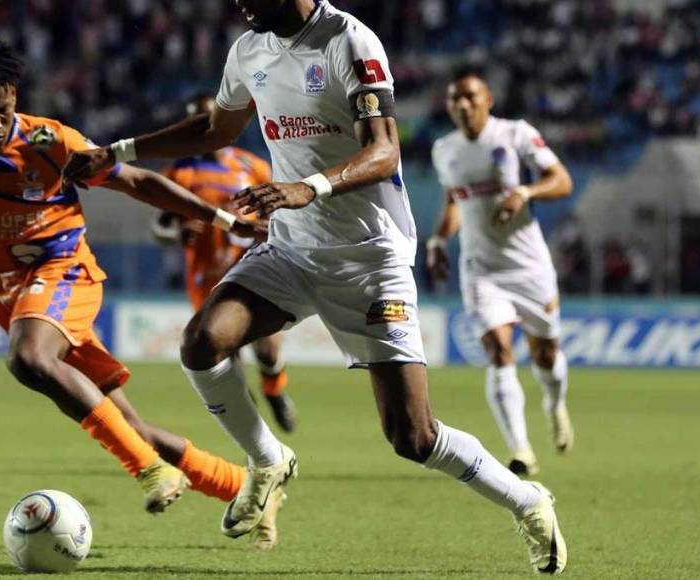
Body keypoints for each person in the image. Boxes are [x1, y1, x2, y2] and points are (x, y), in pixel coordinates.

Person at [63, 0, 567, 574]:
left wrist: (310, 187)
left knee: (412, 435)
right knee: (202, 342)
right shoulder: (248, 49)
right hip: (292, 249)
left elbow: (384, 150)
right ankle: (267, 458)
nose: (239, 3)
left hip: (370, 258)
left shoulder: (349, 41)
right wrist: (118, 152)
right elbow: (213, 128)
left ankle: (528, 501)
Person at [0, 34, 283, 549]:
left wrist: (221, 218)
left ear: (14, 96)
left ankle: (149, 470)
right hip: (15, 297)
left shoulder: (50, 141)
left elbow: (137, 182)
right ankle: (240, 485)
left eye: (3, 110)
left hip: (64, 272)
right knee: (128, 425)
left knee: (28, 358)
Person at [428, 68, 575, 476]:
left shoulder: (515, 135)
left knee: (545, 355)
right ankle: (521, 449)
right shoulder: (445, 149)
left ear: (488, 99)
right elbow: (454, 203)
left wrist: (525, 192)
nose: (462, 105)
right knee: (499, 349)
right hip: (480, 268)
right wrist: (438, 241)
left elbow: (562, 180)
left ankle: (554, 404)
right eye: (455, 98)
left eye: (470, 97)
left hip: (529, 266)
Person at [155, 94, 298, 433]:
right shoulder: (181, 171)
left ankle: (275, 391)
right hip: (206, 276)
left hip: (252, 266)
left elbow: (281, 209)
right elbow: (159, 225)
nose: (203, 128)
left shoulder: (252, 166)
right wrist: (176, 230)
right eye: (195, 121)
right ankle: (253, 423)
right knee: (224, 354)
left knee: (269, 345)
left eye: (208, 119)